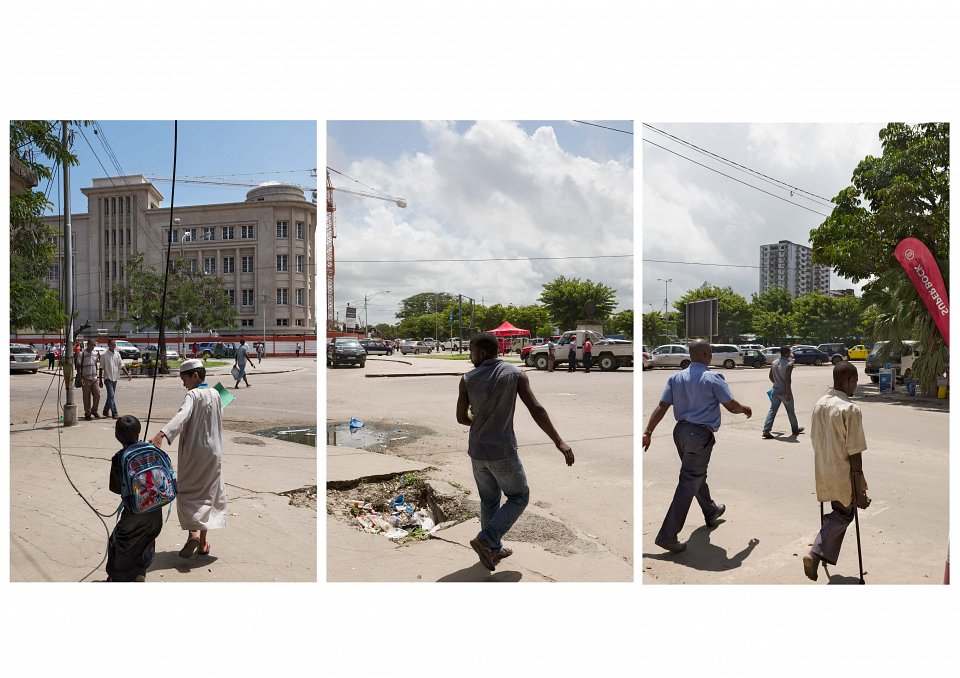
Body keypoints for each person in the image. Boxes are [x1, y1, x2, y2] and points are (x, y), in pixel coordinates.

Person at [456, 332, 575, 571]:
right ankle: (487, 540)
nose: (470, 355)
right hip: (502, 450)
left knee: (489, 500)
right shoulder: (514, 374)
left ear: (481, 353)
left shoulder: (467, 379)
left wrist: (480, 422)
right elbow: (536, 409)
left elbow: (461, 418)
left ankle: (493, 547)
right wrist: (558, 441)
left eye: (470, 351)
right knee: (519, 496)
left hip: (477, 451)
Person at [642, 340, 753, 553]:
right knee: (689, 481)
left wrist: (648, 432)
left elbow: (662, 406)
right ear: (705, 354)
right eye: (710, 352)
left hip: (681, 433)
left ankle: (710, 510)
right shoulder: (713, 378)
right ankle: (668, 535)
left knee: (694, 475)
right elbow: (731, 405)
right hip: (699, 435)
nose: (711, 356)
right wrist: (745, 409)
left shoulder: (675, 377)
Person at [149, 359, 226, 559]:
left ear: (195, 376)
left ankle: (192, 533)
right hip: (214, 453)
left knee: (187, 493)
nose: (184, 384)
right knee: (208, 494)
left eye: (185, 379)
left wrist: (161, 434)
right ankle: (202, 543)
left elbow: (182, 416)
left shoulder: (192, 394)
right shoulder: (217, 393)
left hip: (194, 452)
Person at [803, 361, 870, 581]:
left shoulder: (820, 403)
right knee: (844, 513)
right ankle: (815, 553)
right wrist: (859, 489)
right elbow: (855, 452)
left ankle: (821, 552)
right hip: (843, 472)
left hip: (823, 467)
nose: (855, 388)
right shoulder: (850, 408)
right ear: (849, 380)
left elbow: (814, 438)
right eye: (855, 383)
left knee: (837, 511)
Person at [106, 416, 163, 582]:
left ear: (117, 435)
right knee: (146, 540)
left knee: (120, 541)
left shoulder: (119, 457)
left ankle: (117, 578)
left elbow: (116, 488)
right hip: (156, 512)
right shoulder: (152, 450)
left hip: (134, 512)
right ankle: (140, 573)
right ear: (138, 434)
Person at [762, 346, 804, 439]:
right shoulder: (789, 364)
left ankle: (766, 430)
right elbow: (788, 380)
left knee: (772, 410)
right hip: (785, 391)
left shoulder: (774, 363)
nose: (790, 354)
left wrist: (776, 383)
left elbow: (770, 376)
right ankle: (795, 429)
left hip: (775, 390)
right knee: (790, 411)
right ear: (786, 353)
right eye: (789, 352)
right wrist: (788, 393)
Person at [99, 338, 133, 419]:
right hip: (108, 378)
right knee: (111, 396)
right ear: (109, 345)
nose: (114, 345)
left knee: (110, 396)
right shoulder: (104, 355)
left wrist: (128, 373)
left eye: (115, 344)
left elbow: (121, 365)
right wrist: (100, 380)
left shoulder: (117, 354)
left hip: (115, 377)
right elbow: (101, 368)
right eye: (113, 344)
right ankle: (115, 413)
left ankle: (105, 411)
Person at [77, 339, 102, 421]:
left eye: (94, 345)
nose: (93, 347)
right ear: (88, 345)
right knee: (86, 397)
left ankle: (94, 410)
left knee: (97, 394)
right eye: (92, 345)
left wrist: (98, 377)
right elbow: (78, 366)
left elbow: (95, 365)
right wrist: (80, 378)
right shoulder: (82, 354)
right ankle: (87, 413)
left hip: (94, 378)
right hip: (86, 378)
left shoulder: (95, 354)